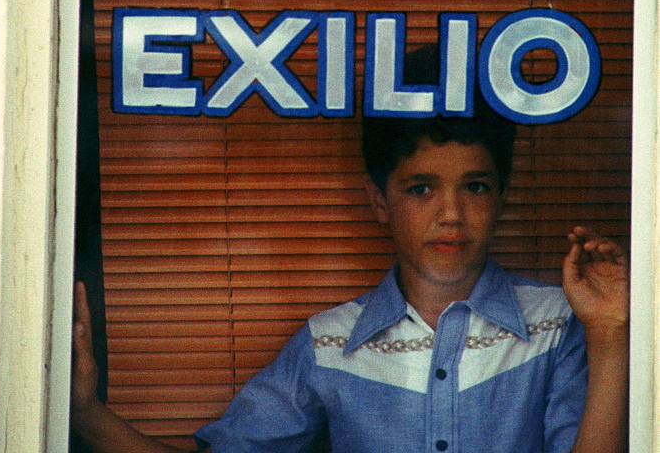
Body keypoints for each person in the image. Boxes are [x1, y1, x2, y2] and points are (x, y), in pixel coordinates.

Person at [72, 46, 629, 453]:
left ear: (503, 195)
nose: (452, 213)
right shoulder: (329, 343)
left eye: (475, 186)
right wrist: (86, 415)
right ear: (380, 201)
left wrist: (607, 337)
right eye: (420, 188)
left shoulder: (555, 323)